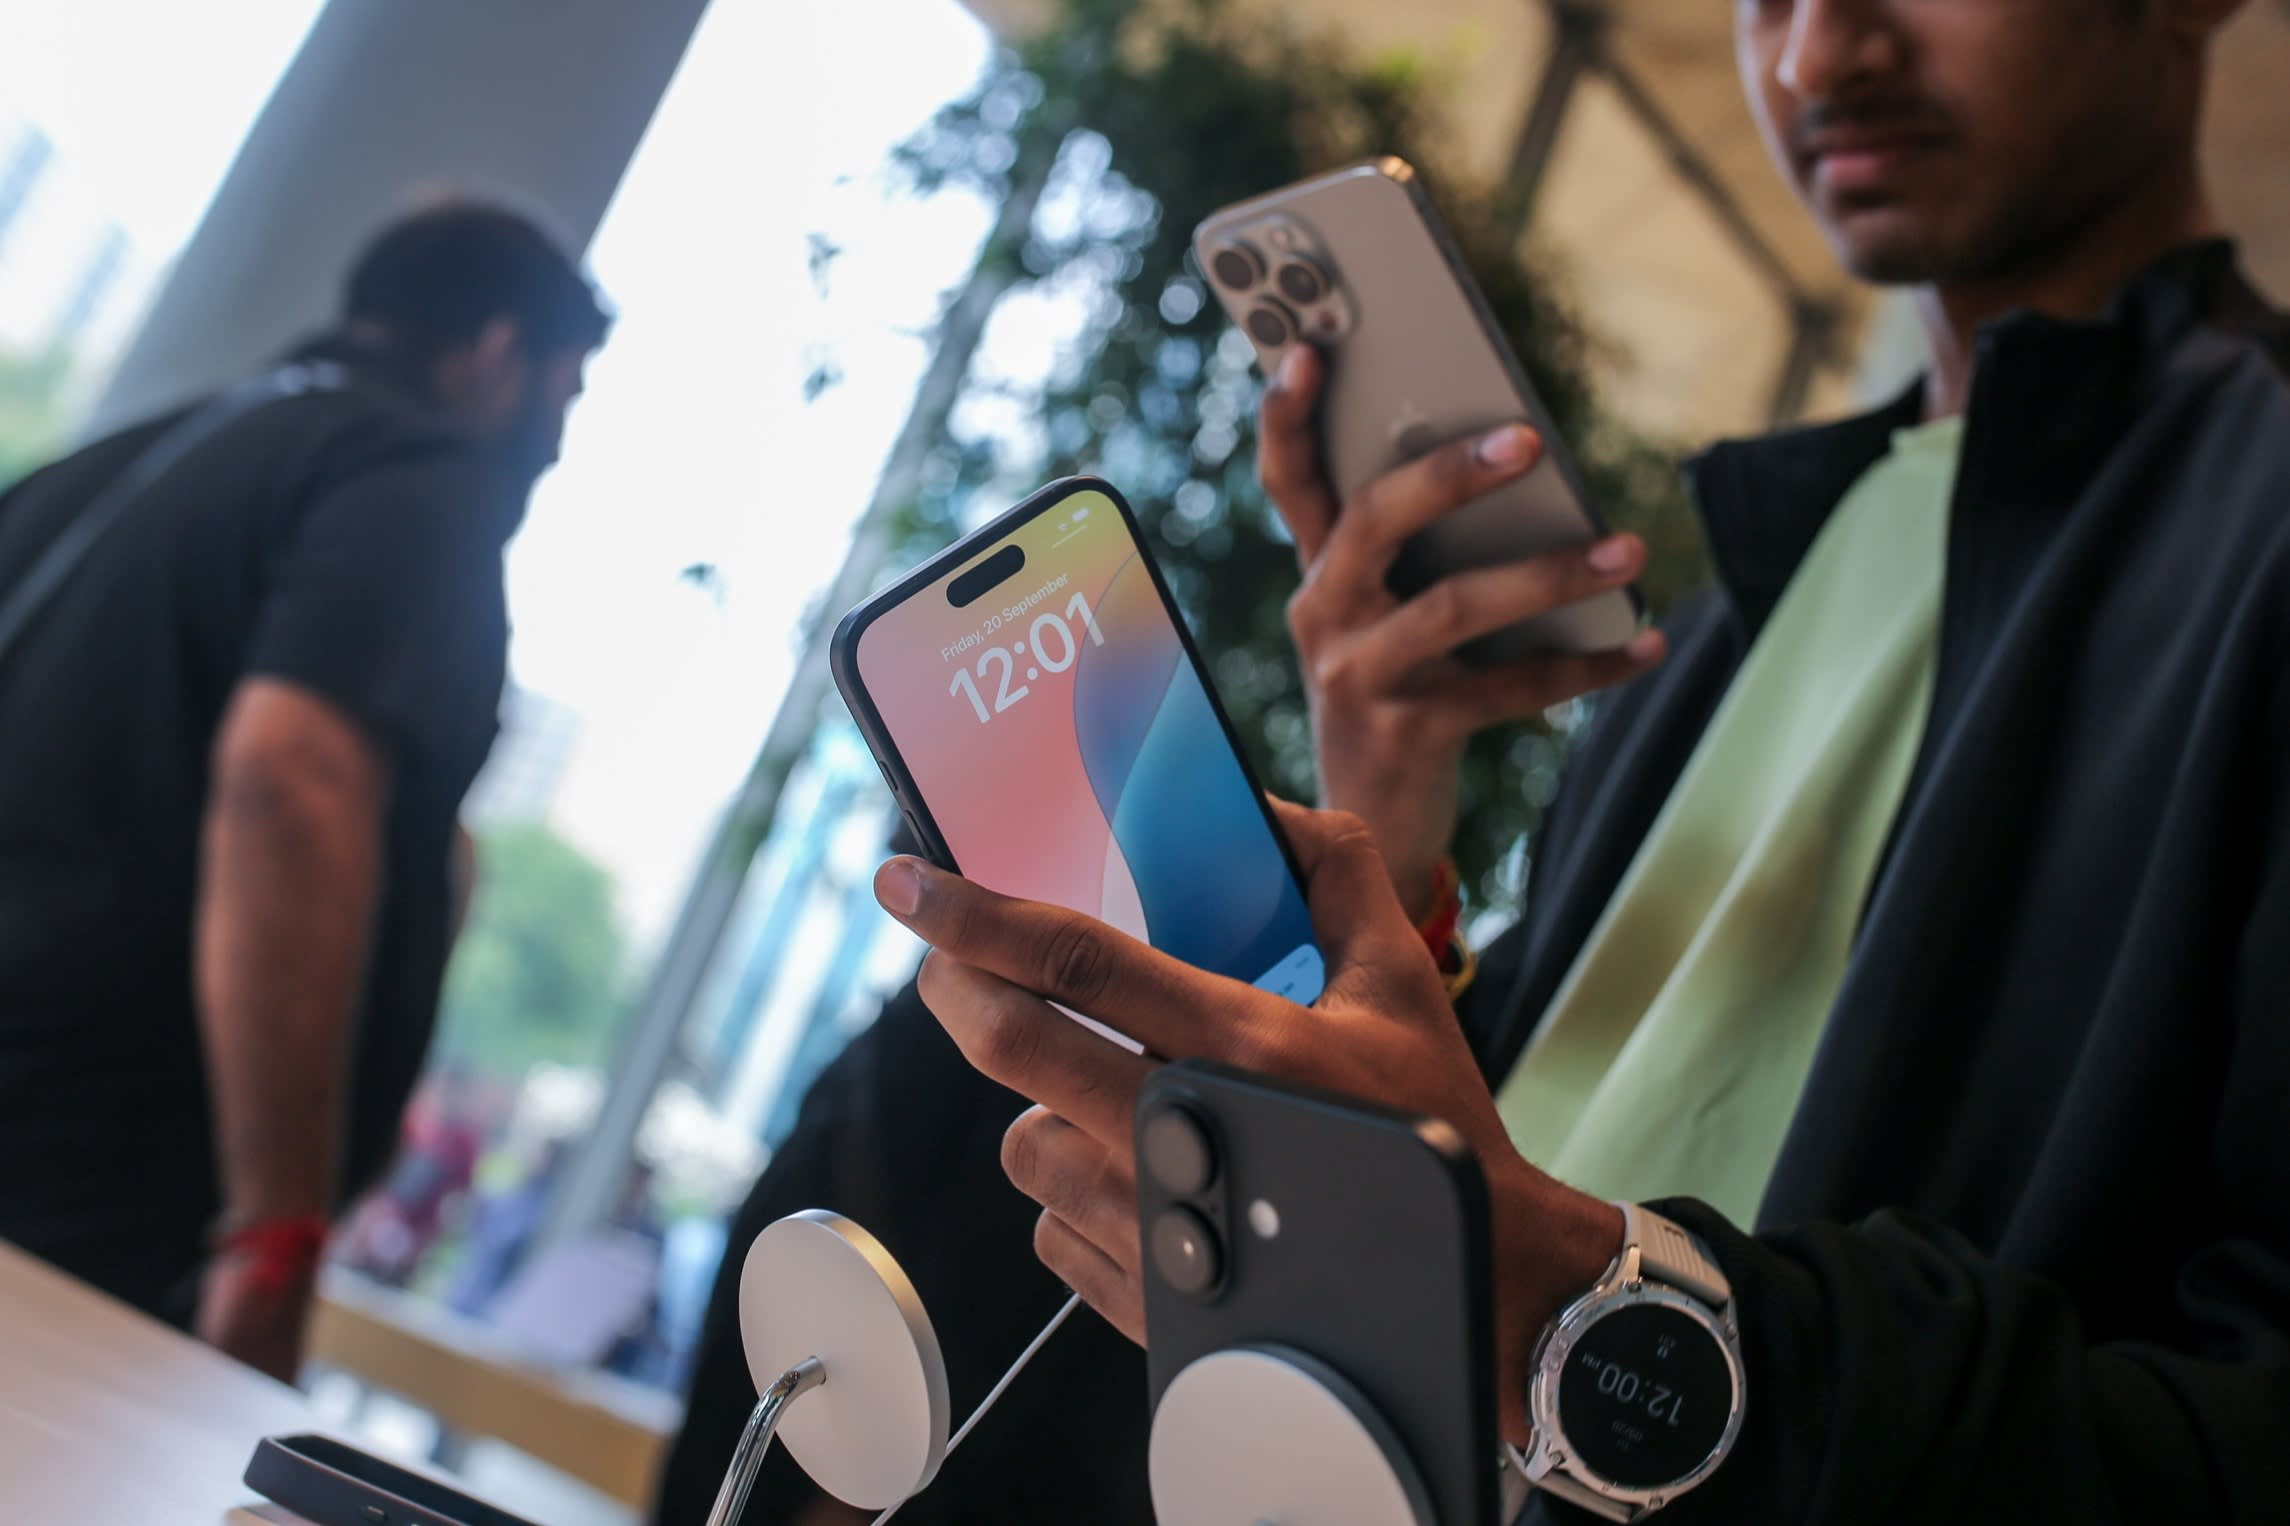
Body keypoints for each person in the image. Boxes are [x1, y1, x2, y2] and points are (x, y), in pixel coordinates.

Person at [660, 0, 2290, 1521]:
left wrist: (1563, 1304)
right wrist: (1390, 825)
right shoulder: (1736, 597)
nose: (1814, 58)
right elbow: (1546, 1132)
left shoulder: (2251, 526)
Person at [0, 200, 609, 1381]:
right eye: (565, 390)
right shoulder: (415, 473)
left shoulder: (122, 457)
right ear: (495, 353)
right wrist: (275, 1233)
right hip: (88, 1192)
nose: (557, 436)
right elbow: (292, 780)